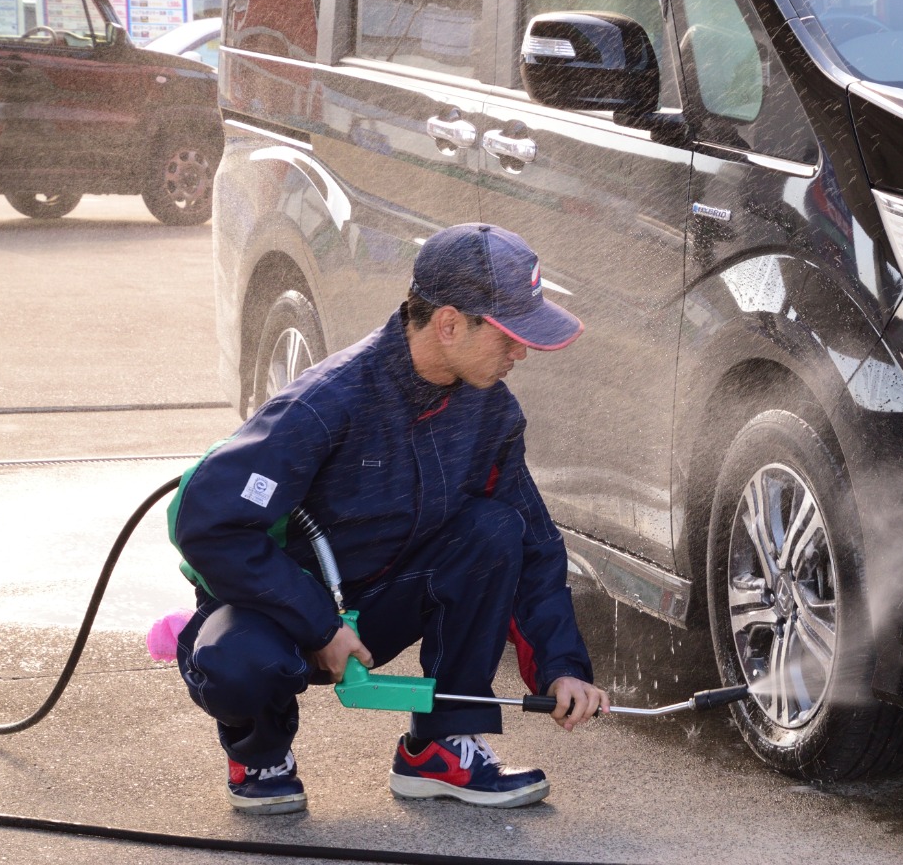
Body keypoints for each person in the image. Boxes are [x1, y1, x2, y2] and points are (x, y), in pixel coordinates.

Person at [169, 223, 610, 815]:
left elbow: (533, 544)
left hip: (379, 603)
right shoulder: (327, 404)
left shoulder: (491, 414)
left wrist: (561, 667)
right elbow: (209, 524)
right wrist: (320, 626)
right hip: (276, 611)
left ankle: (440, 747)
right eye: (508, 335)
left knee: (496, 530)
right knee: (237, 662)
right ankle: (261, 753)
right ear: (449, 324)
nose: (520, 352)